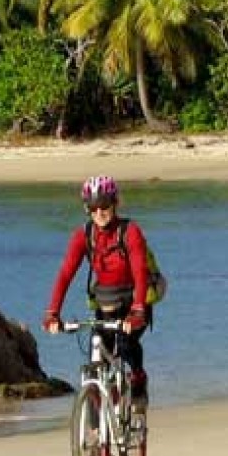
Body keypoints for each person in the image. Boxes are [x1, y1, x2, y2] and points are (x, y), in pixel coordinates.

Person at [42, 175, 151, 410]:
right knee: (96, 352)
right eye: (93, 207)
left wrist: (138, 310)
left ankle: (139, 379)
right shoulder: (83, 235)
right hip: (104, 303)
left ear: (115, 203)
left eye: (104, 205)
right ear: (86, 208)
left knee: (125, 345)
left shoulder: (130, 232)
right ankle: (94, 425)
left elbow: (141, 272)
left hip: (134, 300)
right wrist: (52, 313)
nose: (99, 212)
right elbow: (65, 273)